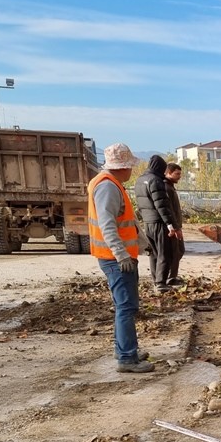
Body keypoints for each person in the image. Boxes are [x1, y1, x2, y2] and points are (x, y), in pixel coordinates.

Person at [88, 143, 154, 373]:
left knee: (122, 305)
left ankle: (124, 349)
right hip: (117, 259)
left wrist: (143, 244)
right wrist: (121, 254)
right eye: (130, 167)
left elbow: (125, 223)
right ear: (122, 167)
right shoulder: (107, 187)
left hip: (118, 256)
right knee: (126, 306)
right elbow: (108, 225)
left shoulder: (110, 184)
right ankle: (126, 358)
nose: (132, 171)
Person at [134, 155, 179, 293]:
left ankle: (156, 280)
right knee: (164, 253)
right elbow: (162, 206)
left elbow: (140, 204)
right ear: (159, 167)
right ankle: (161, 283)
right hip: (159, 223)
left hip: (148, 222)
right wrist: (170, 225)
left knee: (153, 253)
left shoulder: (140, 180)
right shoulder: (156, 181)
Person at [165, 162, 185, 287]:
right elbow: (169, 210)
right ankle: (170, 277)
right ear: (168, 173)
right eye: (177, 174)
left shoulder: (170, 186)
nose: (179, 176)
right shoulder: (166, 188)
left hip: (176, 225)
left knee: (179, 251)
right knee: (176, 252)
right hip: (173, 227)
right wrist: (175, 227)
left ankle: (172, 276)